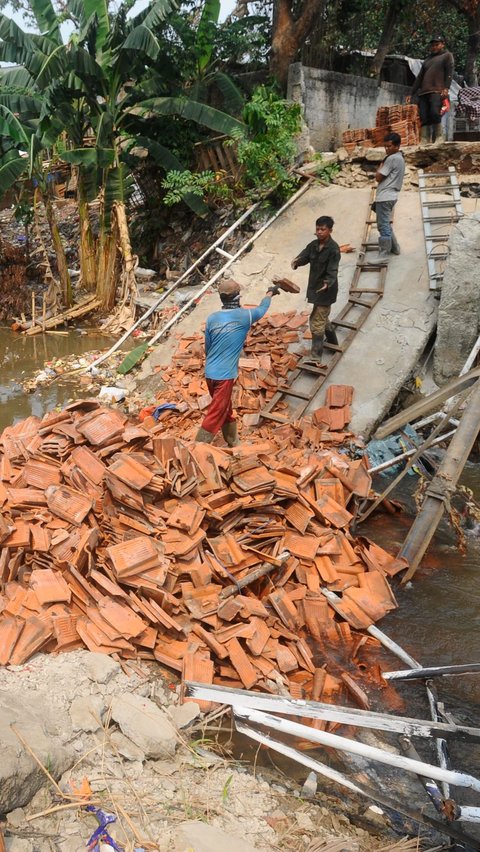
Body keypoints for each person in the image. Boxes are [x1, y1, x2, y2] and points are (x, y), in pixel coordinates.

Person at [195, 278, 279, 445]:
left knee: (224, 409)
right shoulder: (245, 316)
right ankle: (196, 449)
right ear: (238, 297)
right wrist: (270, 292)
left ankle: (234, 442)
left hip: (210, 373)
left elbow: (208, 348)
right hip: (224, 376)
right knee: (216, 412)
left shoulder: (212, 318)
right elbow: (262, 308)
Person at [291, 215, 340, 364]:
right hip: (315, 289)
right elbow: (305, 256)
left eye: (322, 229)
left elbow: (333, 270)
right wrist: (297, 261)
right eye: (317, 229)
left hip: (326, 291)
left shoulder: (334, 249)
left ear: (330, 230)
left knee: (316, 322)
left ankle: (315, 356)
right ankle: (333, 343)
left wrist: (327, 283)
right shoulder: (313, 245)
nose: (319, 232)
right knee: (322, 318)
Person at [408, 35, 454, 144]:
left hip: (437, 90)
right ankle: (424, 138)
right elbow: (419, 78)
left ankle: (438, 136)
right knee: (424, 116)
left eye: (437, 44)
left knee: (434, 112)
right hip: (424, 91)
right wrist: (411, 92)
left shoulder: (447, 56)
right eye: (432, 45)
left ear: (442, 44)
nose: (434, 47)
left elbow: (449, 73)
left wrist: (446, 88)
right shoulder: (427, 60)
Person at [370, 132, 405, 265]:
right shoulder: (399, 158)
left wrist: (380, 166)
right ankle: (395, 248)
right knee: (385, 222)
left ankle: (383, 254)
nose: (387, 149)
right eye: (385, 146)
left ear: (397, 146)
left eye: (389, 146)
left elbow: (378, 177)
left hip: (385, 196)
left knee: (382, 225)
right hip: (390, 195)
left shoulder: (392, 159)